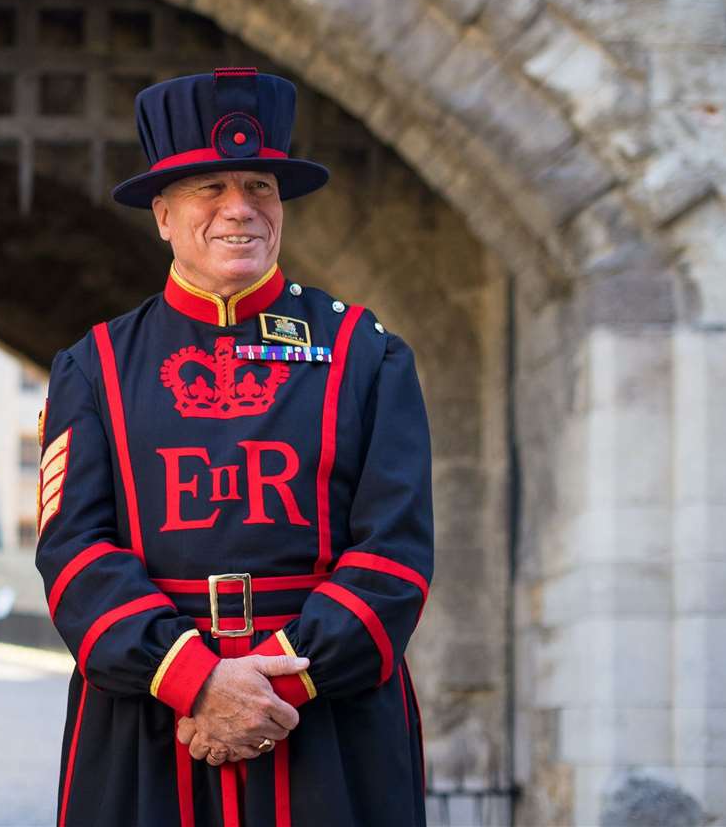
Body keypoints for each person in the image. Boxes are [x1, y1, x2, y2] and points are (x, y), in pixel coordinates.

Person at [35, 67, 433, 826]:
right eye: (208, 189)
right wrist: (193, 680)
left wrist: (270, 690)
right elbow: (75, 556)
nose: (239, 209)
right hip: (151, 714)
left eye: (259, 186)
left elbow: (395, 554)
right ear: (161, 213)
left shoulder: (367, 353)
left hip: (326, 714)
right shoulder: (95, 365)